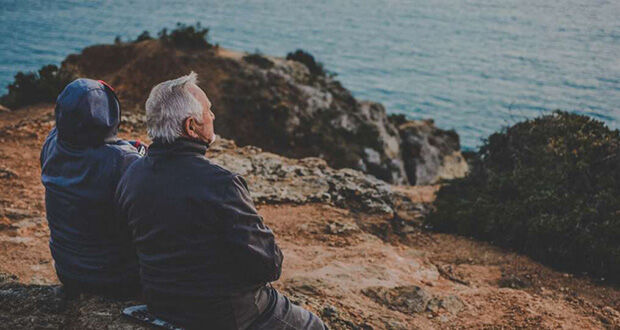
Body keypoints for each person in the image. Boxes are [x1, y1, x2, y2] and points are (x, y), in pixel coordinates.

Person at [114, 72, 326, 329]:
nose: (213, 116)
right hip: (228, 315)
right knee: (313, 325)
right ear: (191, 127)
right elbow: (269, 266)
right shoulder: (221, 184)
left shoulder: (132, 175)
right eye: (208, 111)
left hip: (161, 303)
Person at [40, 78, 144, 299]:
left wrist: (123, 146)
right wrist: (139, 152)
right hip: (116, 279)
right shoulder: (124, 161)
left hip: (67, 270)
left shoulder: (52, 143)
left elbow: (89, 146)